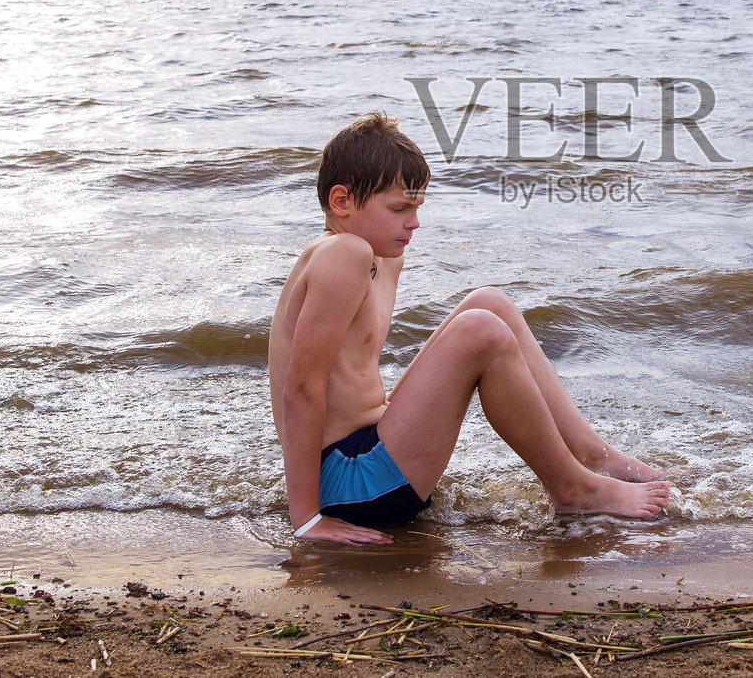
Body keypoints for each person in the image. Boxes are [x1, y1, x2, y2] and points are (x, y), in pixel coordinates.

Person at [269, 113, 672, 545]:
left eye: (417, 208)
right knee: (481, 330)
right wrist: (307, 519)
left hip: (371, 453)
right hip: (352, 486)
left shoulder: (382, 258)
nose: (414, 223)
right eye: (399, 209)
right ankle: (573, 487)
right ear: (342, 202)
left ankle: (593, 455)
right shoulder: (342, 254)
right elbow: (302, 386)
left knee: (489, 301)